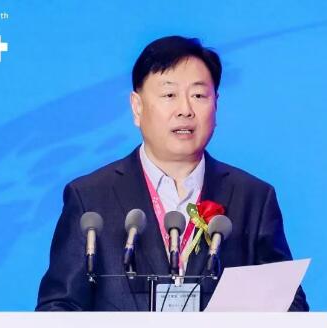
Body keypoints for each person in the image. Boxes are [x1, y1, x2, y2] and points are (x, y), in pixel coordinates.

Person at [36, 36, 308, 312]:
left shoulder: (253, 198)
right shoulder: (90, 197)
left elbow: (289, 305)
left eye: (198, 96)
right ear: (137, 107)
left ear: (216, 104)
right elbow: (58, 307)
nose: (185, 110)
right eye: (169, 95)